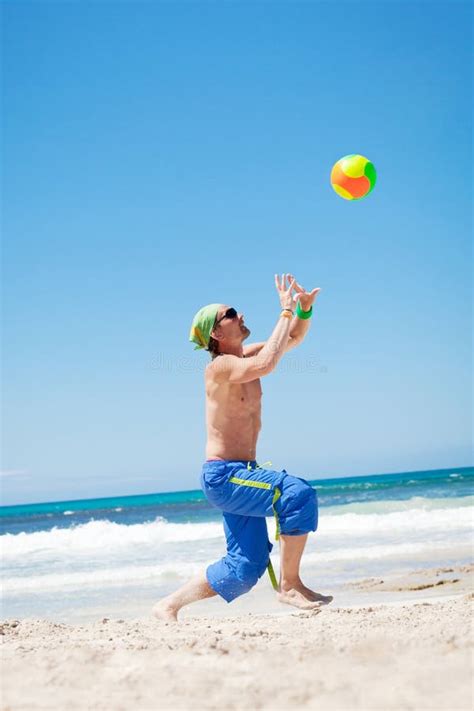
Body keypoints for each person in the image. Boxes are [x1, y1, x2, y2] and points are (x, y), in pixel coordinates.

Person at [152, 273, 332, 621]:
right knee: (296, 494)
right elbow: (266, 364)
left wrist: (303, 311)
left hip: (241, 475)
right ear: (216, 333)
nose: (241, 314)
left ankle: (167, 605)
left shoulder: (244, 357)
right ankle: (290, 585)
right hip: (225, 476)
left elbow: (290, 339)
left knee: (245, 568)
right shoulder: (220, 367)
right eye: (232, 312)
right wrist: (283, 310)